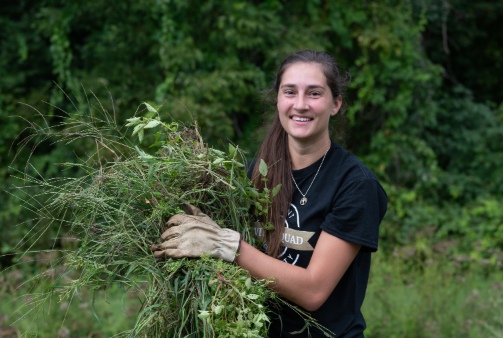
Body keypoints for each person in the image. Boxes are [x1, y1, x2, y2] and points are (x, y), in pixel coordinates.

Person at [152, 50, 388, 337]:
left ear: (335, 104)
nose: (300, 104)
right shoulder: (252, 175)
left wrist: (226, 245)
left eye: (314, 94)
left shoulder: (355, 185)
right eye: (290, 92)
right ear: (278, 99)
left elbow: (314, 290)